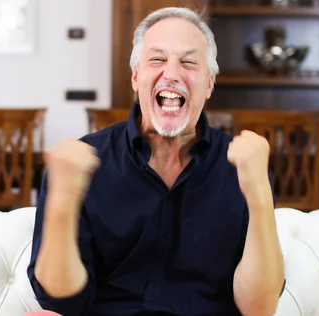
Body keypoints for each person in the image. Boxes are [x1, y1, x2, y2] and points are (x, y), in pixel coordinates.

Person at [27, 6, 285, 316]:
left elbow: (259, 308)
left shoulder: (242, 165)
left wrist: (258, 193)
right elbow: (61, 302)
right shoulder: (86, 160)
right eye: (157, 59)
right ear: (136, 77)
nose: (172, 74)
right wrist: (62, 202)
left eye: (189, 62)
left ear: (209, 84)